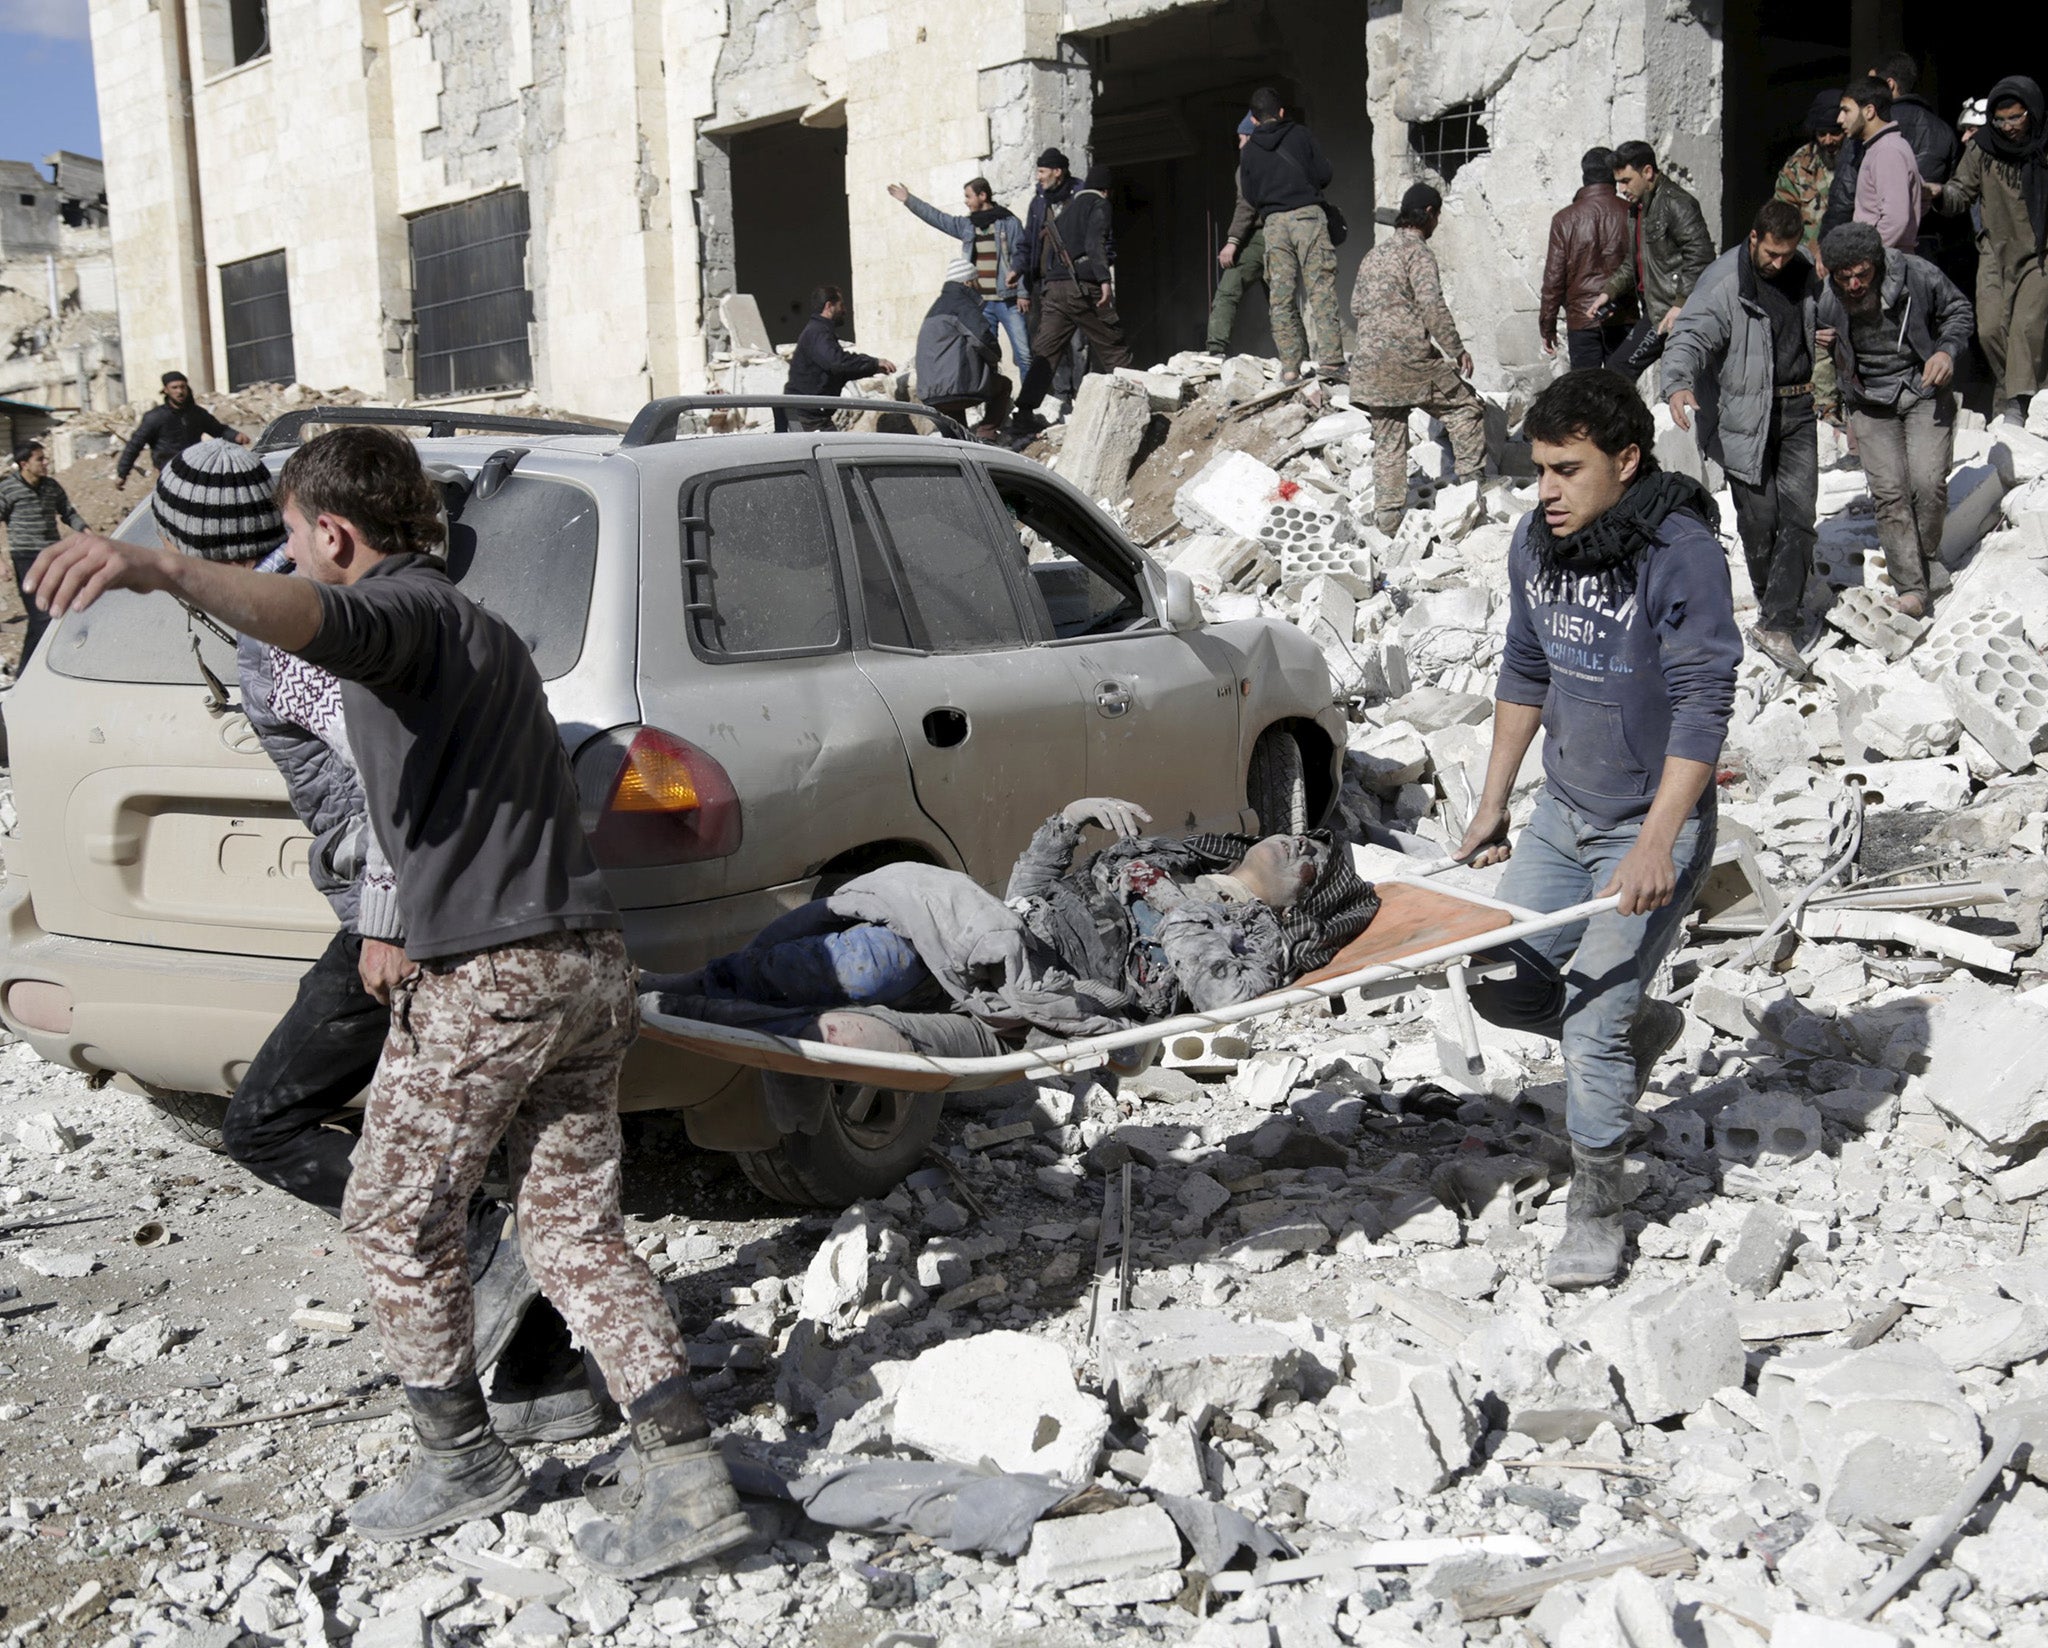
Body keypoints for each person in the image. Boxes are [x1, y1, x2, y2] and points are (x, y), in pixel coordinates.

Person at [26, 427, 750, 1578]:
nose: (291, 559)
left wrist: (160, 567)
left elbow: (324, 624)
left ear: (334, 534)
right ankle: (685, 1468)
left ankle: (459, 1455)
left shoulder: (403, 620)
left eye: (299, 537)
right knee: (567, 1228)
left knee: (390, 1211)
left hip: (486, 972)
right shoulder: (487, 625)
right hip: (583, 960)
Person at [133, 438, 604, 1448]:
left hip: (408, 914)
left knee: (268, 1121)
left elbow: (387, 764)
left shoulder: (292, 633)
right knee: (475, 1152)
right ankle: (545, 1377)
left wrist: (384, 918)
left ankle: (486, 1279)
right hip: (449, 908)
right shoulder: (295, 610)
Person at [1454, 369, 1739, 1289]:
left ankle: (1599, 1201)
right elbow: (1525, 666)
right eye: (1539, 469)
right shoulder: (1536, 542)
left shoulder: (1680, 551)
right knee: (1498, 983)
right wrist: (1495, 802)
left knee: (1590, 1023)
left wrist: (1659, 842)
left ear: (1626, 460)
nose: (1547, 491)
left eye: (1567, 471)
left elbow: (1703, 705)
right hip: (1562, 815)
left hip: (1647, 828)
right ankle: (1635, 1028)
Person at [648, 799, 1379, 1058]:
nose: (1300, 847)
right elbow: (1030, 896)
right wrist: (1068, 821)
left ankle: (672, 1007)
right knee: (867, 943)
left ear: (1301, 898)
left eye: (1313, 858)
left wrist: (1172, 907)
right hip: (999, 936)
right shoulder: (1168, 855)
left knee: (854, 1006)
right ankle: (674, 993)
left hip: (1046, 985)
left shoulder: (1258, 939)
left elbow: (1223, 1000)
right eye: (1301, 838)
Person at [1662, 199, 1821, 676]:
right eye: (1771, 253)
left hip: (1796, 408)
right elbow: (1689, 335)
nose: (1778, 263)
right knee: (1760, 519)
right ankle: (1772, 595)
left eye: (1786, 254)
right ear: (1754, 239)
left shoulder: (1804, 268)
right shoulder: (1724, 282)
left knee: (1800, 515)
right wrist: (1678, 382)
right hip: (1743, 416)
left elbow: (1819, 314)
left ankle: (1777, 622)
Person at [1816, 220, 1974, 621]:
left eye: (1862, 275)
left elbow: (1959, 311)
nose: (1854, 285)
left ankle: (1927, 556)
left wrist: (1946, 352)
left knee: (1927, 483)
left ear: (1877, 264)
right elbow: (1809, 343)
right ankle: (1912, 589)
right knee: (1889, 495)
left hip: (1922, 388)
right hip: (1869, 402)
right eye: (1844, 277)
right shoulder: (1828, 299)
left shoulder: (1918, 275)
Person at [1349, 183, 1487, 537]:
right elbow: (1431, 305)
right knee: (1465, 408)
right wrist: (1456, 349)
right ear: (1428, 213)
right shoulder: (1418, 253)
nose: (1437, 223)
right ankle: (1475, 494)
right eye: (1437, 216)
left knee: (1390, 440)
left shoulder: (1374, 255)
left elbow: (1355, 307)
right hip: (1409, 362)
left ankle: (1389, 522)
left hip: (1368, 365)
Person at [1928, 77, 2047, 422]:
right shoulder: (1982, 148)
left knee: (2026, 327)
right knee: (1991, 328)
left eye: (2016, 117)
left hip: (2040, 254)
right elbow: (1959, 193)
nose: (2008, 127)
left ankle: (2018, 404)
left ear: (2033, 112)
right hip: (1995, 252)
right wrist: (1936, 194)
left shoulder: (2044, 145)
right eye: (2001, 120)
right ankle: (2026, 392)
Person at [1008, 152, 1131, 435]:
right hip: (1080, 288)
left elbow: (1046, 245)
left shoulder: (1069, 207)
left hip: (1053, 291)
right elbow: (1095, 241)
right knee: (1112, 344)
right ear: (1106, 190)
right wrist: (1104, 280)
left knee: (1045, 354)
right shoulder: (1098, 204)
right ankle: (1139, 404)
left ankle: (1024, 413)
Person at [1236, 87, 1343, 395]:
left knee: (1280, 296)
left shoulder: (1250, 151)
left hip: (1274, 225)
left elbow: (1250, 195)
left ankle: (1290, 368)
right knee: (1320, 287)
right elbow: (1323, 173)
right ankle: (1332, 362)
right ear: (1281, 112)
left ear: (1254, 120)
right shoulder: (1300, 135)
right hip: (1308, 219)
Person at [886, 176, 1030, 374]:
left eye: (968, 196)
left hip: (1008, 301)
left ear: (982, 195)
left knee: (1024, 355)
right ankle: (994, 403)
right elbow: (938, 218)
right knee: (986, 357)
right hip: (982, 304)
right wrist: (909, 200)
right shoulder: (968, 226)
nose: (966, 201)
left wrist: (1022, 293)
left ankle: (1030, 404)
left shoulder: (1009, 222)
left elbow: (1021, 254)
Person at [1600, 142, 1715, 378]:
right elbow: (1634, 262)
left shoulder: (1677, 203)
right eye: (1618, 182)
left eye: (1626, 180)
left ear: (1648, 172)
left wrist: (1680, 304)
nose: (1621, 189)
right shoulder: (1638, 209)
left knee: (1619, 370)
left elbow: (1701, 257)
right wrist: (1609, 291)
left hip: (1674, 312)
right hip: (1656, 311)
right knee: (1618, 369)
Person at [1540, 147, 1633, 370]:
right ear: (1613, 173)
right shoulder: (1631, 211)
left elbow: (1553, 279)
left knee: (1584, 394)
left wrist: (1548, 326)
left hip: (1581, 318)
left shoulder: (1564, 219)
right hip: (1622, 315)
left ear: (1584, 176)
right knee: (1621, 391)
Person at [1, 439, 86, 665]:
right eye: (39, 459)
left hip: (53, 556)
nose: (46, 462)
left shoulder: (51, 486)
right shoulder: (8, 488)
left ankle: (52, 664)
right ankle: (27, 671)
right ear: (24, 464)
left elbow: (68, 513)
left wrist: (87, 532)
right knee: (41, 615)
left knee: (58, 610)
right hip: (26, 557)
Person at [914, 258, 1012, 434]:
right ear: (967, 282)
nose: (979, 286)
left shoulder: (935, 307)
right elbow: (982, 339)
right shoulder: (962, 305)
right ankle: (987, 434)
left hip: (930, 392)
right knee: (1004, 385)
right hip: (957, 388)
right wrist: (995, 359)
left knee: (958, 434)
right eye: (976, 281)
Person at [780, 286, 895, 432]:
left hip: (809, 414)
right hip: (807, 417)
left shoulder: (819, 331)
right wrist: (873, 363)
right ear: (829, 306)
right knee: (832, 453)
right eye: (841, 305)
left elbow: (839, 371)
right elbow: (837, 363)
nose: (845, 310)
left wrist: (872, 367)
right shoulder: (818, 332)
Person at [115, 371, 248, 490]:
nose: (180, 391)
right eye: (175, 387)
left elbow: (218, 430)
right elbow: (135, 445)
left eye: (182, 387)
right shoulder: (155, 417)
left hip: (195, 471)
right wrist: (122, 473)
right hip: (167, 474)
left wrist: (235, 436)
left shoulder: (196, 414)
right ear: (166, 390)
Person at [1840, 76, 1924, 253]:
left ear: (1869, 111)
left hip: (1885, 263)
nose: (1840, 119)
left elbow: (1895, 218)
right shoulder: (1884, 147)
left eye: (1846, 111)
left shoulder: (1887, 151)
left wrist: (1864, 256)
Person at [1207, 115, 1267, 356]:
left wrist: (1232, 242)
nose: (1241, 145)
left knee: (1227, 291)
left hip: (1258, 238)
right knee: (1282, 303)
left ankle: (1215, 350)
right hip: (1283, 236)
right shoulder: (1283, 159)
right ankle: (1300, 358)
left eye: (1243, 138)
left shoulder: (1250, 166)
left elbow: (1246, 206)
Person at [1872, 51, 1958, 190]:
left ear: (1890, 85)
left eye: (1872, 85)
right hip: (1926, 209)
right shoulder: (1943, 129)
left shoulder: (1873, 122)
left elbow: (1848, 186)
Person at [1773, 91, 1847, 254]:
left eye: (1835, 133)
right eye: (1822, 134)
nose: (1828, 141)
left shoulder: (1860, 161)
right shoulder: (1798, 166)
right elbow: (1781, 218)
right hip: (1809, 262)